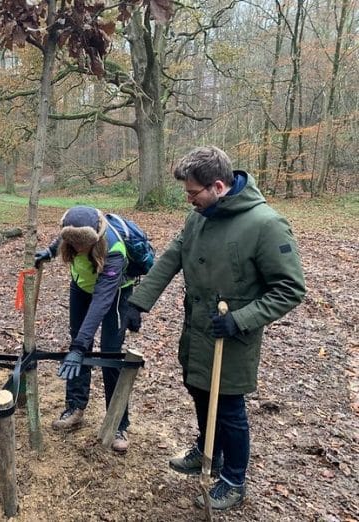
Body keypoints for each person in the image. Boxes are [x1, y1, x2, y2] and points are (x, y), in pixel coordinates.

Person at [125, 146, 306, 510]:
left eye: (194, 193)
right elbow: (173, 256)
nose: (188, 199)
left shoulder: (265, 224)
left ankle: (234, 479)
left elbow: (291, 289)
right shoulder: (199, 217)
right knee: (198, 390)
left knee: (228, 407)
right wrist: (138, 301)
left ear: (219, 186)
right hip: (198, 328)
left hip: (233, 336)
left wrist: (240, 319)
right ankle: (208, 450)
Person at [34, 206, 144, 453]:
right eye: (73, 245)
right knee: (78, 347)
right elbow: (64, 236)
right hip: (81, 287)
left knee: (110, 354)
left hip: (114, 294)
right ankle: (75, 406)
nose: (79, 250)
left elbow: (102, 301)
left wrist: (80, 345)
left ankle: (118, 422)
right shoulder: (71, 236)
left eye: (84, 246)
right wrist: (50, 252)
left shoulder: (114, 249)